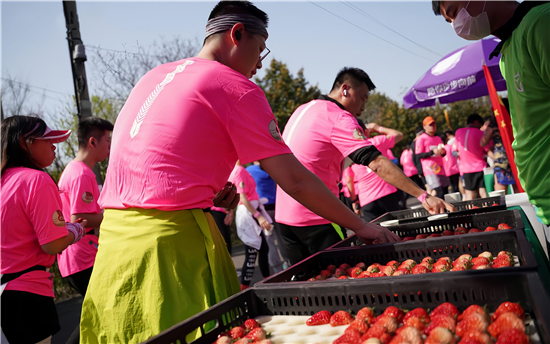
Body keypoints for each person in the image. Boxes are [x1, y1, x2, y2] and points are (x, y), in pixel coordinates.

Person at [80, 2, 406, 342]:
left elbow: (152, 162)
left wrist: (203, 192)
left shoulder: (154, 76)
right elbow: (294, 179)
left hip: (114, 252)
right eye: (260, 49)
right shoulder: (234, 85)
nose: (260, 65)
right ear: (237, 34)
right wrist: (361, 226)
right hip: (169, 256)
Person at [275, 67, 455, 265]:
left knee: (307, 286)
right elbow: (376, 162)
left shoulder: (304, 109)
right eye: (362, 98)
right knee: (339, 283)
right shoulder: (337, 116)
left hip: (285, 218)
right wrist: (423, 195)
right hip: (317, 216)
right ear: (345, 90)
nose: (363, 107)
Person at [432, 1, 550, 225]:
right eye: (450, 22)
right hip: (543, 204)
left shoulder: (540, 23)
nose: (457, 26)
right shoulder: (507, 50)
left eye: (455, 13)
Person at [1, 115, 86, 344]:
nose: (54, 145)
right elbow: (52, 244)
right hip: (28, 293)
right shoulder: (37, 180)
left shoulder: (3, 181)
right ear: (24, 143)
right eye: (47, 139)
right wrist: (76, 231)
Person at [55, 117, 113, 344]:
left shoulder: (72, 169)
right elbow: (80, 219)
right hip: (81, 256)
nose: (110, 146)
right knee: (102, 311)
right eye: (107, 141)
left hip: (74, 256)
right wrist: (111, 213)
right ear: (92, 142)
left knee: (98, 313)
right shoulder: (81, 173)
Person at [229, 162, 271, 290]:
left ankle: (265, 284)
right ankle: (249, 288)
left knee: (259, 251)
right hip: (248, 214)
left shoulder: (236, 170)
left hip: (248, 212)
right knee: (254, 253)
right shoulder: (240, 170)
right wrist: (259, 216)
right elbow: (243, 197)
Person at [354, 122, 406, 222]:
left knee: (377, 235)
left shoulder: (349, 152)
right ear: (365, 132)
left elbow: (349, 180)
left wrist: (354, 200)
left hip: (366, 200)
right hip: (386, 193)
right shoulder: (376, 141)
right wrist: (378, 128)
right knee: (399, 228)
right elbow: (399, 135)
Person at [247, 161, 288, 272]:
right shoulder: (272, 167)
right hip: (278, 207)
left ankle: (277, 270)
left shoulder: (249, 171)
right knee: (283, 239)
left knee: (269, 242)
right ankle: (289, 264)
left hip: (263, 210)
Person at [454, 114, 493, 200]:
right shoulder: (480, 134)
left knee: (469, 196)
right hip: (480, 167)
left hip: (466, 169)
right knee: (483, 194)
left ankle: (470, 213)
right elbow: (487, 150)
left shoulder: (458, 132)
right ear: (476, 122)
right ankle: (488, 212)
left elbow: (455, 151)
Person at [415, 116, 449, 198]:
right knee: (438, 191)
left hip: (440, 168)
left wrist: (443, 152)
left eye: (434, 124)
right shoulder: (421, 138)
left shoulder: (438, 138)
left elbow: (443, 153)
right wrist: (432, 152)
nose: (433, 126)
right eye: (430, 125)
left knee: (446, 191)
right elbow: (418, 154)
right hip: (430, 169)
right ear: (424, 127)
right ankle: (439, 210)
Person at [442, 129, 460, 194]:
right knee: (456, 187)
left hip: (446, 171)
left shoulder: (441, 149)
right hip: (454, 169)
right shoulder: (450, 147)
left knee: (452, 187)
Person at [411, 125, 428, 192]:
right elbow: (416, 156)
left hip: (419, 167)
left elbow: (413, 157)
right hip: (423, 167)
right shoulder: (418, 141)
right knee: (430, 188)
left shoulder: (413, 143)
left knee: (428, 187)